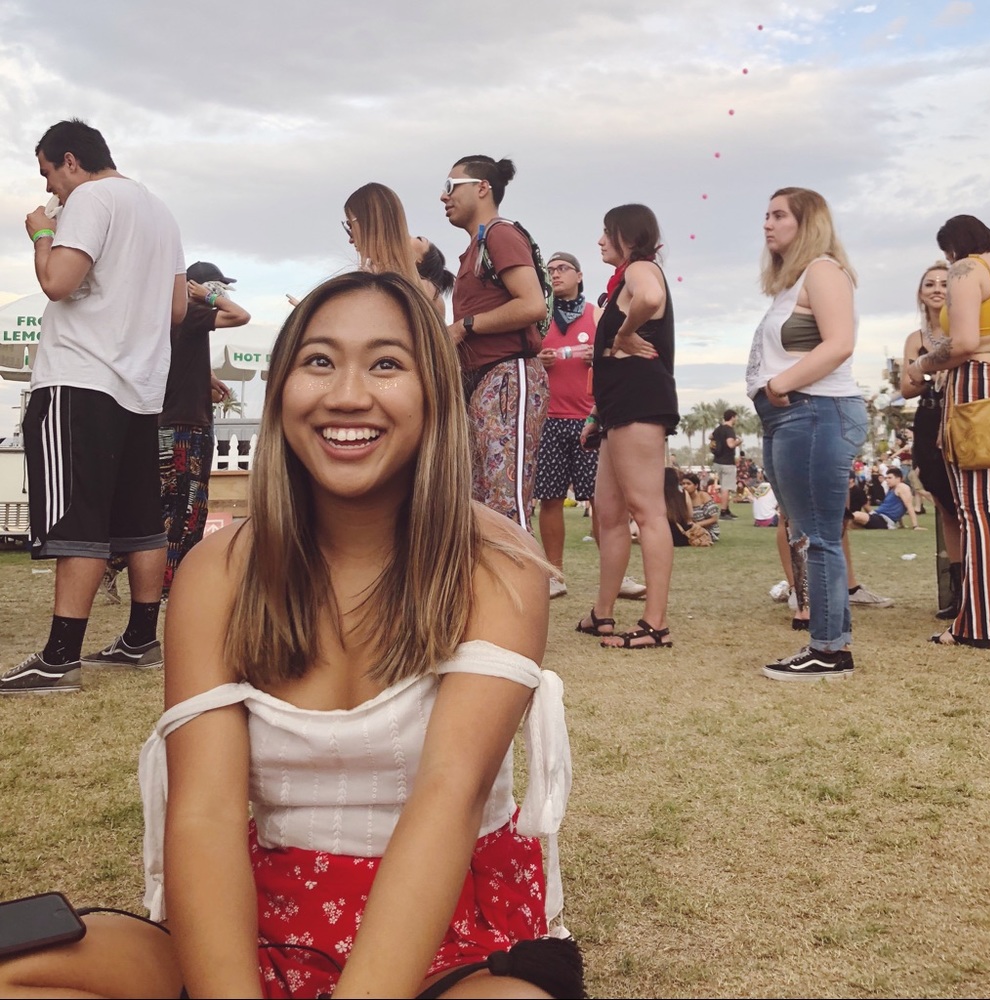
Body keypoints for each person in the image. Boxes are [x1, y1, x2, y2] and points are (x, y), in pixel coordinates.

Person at [0, 272, 583, 998]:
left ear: (435, 394)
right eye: (318, 361)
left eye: (386, 363)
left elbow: (449, 797)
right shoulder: (218, 572)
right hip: (257, 915)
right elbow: (206, 813)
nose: (347, 395)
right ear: (281, 393)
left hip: (443, 935)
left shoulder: (497, 566)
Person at [0, 119, 186, 695]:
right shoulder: (160, 212)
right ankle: (140, 639)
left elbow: (57, 281)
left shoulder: (89, 198)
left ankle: (59, 659)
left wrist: (40, 233)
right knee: (139, 520)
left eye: (48, 173)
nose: (49, 188)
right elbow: (177, 309)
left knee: (76, 517)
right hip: (140, 387)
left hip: (79, 377)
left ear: (71, 161)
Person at [746, 187, 867, 680]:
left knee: (817, 535)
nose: (767, 224)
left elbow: (839, 344)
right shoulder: (792, 283)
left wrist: (779, 384)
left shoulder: (823, 270)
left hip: (814, 411)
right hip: (791, 416)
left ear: (808, 222)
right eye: (767, 215)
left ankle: (828, 650)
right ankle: (831, 641)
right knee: (807, 532)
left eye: (779, 215)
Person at [103, 262, 250, 603]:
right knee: (184, 508)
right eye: (215, 285)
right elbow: (240, 315)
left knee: (170, 505)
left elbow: (176, 363)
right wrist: (207, 297)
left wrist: (206, 378)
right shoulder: (193, 313)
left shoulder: (168, 320)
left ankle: (119, 560)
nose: (220, 291)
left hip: (172, 424)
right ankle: (167, 582)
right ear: (196, 286)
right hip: (186, 428)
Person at [578, 204, 679, 650]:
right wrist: (597, 415)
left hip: (639, 400)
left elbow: (651, 298)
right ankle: (603, 612)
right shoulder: (623, 280)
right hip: (617, 406)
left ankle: (656, 623)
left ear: (628, 236)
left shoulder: (641, 268)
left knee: (646, 511)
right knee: (609, 514)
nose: (601, 240)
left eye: (607, 232)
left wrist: (623, 334)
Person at [907, 215, 990, 649]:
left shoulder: (968, 269)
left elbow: (963, 343)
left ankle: (976, 624)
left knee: (978, 510)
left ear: (954, 247)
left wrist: (922, 364)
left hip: (978, 388)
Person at [442, 154, 549, 529]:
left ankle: (518, 568)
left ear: (482, 188)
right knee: (482, 502)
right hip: (485, 380)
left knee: (506, 504)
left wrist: (465, 326)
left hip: (508, 376)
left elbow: (532, 304)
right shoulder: (478, 245)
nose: (443, 196)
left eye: (451, 186)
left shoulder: (500, 234)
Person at [899, 261, 963, 618]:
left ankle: (983, 589)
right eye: (930, 284)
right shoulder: (916, 338)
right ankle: (959, 593)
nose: (938, 288)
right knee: (945, 507)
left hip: (963, 418)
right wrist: (930, 368)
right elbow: (907, 387)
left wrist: (925, 367)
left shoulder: (967, 329)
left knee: (972, 506)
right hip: (928, 420)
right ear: (921, 293)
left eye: (944, 283)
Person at [536, 252, 598, 598]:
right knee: (550, 499)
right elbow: (523, 359)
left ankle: (615, 574)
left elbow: (616, 357)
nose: (556, 274)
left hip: (589, 420)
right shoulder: (539, 318)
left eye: (563, 269)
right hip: (549, 420)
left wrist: (598, 357)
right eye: (550, 270)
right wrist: (537, 359)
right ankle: (554, 575)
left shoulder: (595, 315)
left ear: (579, 275)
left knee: (602, 501)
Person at [343, 182, 454, 318]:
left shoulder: (425, 292)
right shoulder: (362, 283)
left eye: (350, 225)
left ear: (370, 222)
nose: (350, 238)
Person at [851, 467, 924, 530]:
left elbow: (909, 506)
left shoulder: (902, 487)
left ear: (898, 479)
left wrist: (915, 526)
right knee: (850, 523)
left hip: (883, 520)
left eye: (890, 478)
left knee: (856, 515)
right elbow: (899, 507)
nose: (887, 480)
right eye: (886, 478)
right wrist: (901, 525)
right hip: (877, 516)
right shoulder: (892, 489)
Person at [710, 409, 742, 519]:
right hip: (727, 462)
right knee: (726, 488)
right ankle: (723, 511)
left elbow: (710, 436)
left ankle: (727, 509)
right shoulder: (729, 430)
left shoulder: (718, 429)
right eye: (736, 417)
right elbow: (730, 444)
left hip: (717, 461)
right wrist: (739, 441)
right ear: (732, 417)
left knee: (724, 486)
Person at [680, 470, 721, 541]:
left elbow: (714, 518)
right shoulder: (682, 498)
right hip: (691, 528)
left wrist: (697, 525)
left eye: (688, 484)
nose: (685, 486)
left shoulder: (703, 496)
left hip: (708, 529)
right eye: (683, 484)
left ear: (696, 485)